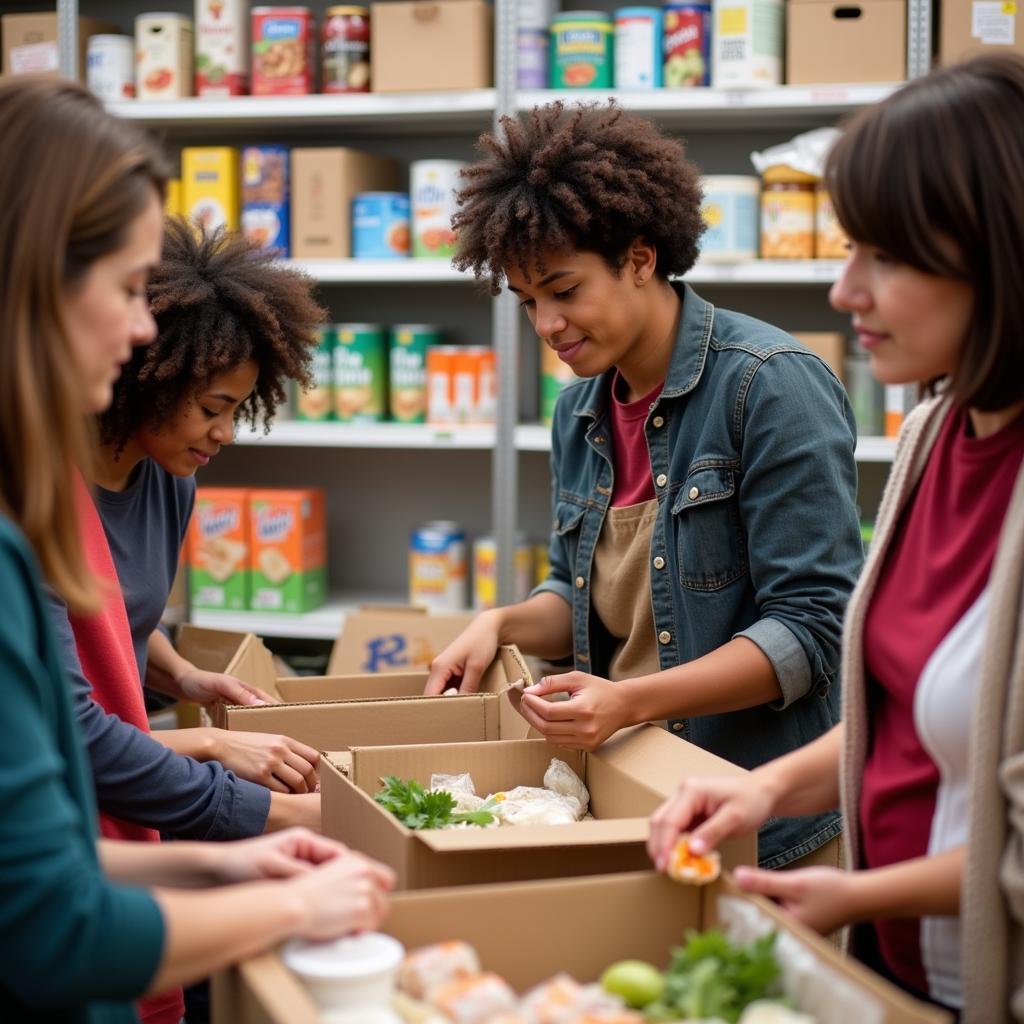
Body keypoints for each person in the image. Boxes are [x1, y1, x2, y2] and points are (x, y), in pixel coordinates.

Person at [0, 75, 393, 1024]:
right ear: (40, 278)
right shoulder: (19, 523)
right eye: (129, 289)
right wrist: (282, 879)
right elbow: (49, 917)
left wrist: (219, 853)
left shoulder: (145, 488)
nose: (140, 330)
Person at [647, 53, 1024, 1020]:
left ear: (1001, 255)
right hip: (893, 965)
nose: (843, 293)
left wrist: (852, 894)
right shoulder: (935, 435)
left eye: (886, 257)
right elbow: (907, 722)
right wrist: (762, 793)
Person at [426, 102, 864, 871]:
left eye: (564, 290)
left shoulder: (767, 387)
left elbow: (813, 631)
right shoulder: (580, 412)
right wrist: (500, 624)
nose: (547, 324)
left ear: (639, 257)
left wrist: (630, 701)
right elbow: (581, 594)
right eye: (529, 301)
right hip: (631, 795)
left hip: (764, 821)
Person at [46, 218, 325, 848]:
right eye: (211, 409)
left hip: (124, 785)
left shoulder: (169, 480)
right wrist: (208, 742)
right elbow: (71, 732)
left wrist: (179, 677)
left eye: (237, 409)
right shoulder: (37, 503)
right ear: (147, 379)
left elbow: (117, 618)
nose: (225, 434)